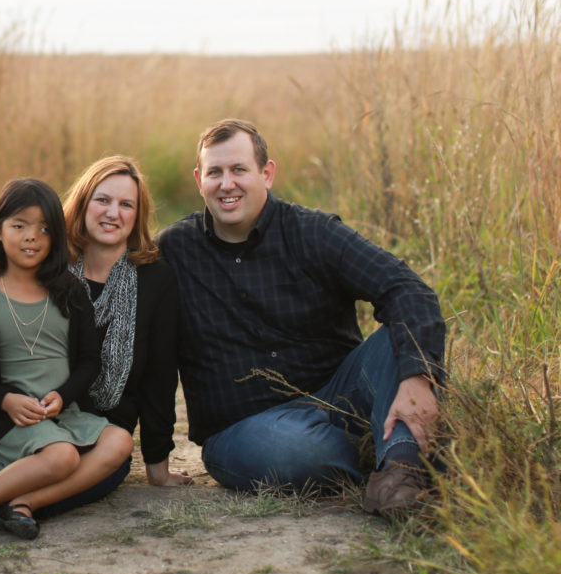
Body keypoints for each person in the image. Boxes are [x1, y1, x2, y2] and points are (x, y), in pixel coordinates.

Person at [156, 119, 445, 515]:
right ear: (198, 180)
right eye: (215, 173)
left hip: (341, 396)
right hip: (246, 431)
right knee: (295, 450)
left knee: (400, 343)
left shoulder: (313, 232)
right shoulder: (173, 250)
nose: (227, 184)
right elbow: (142, 346)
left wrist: (418, 379)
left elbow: (406, 288)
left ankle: (401, 473)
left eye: (239, 170)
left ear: (266, 173)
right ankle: (385, 445)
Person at [0, 179, 133, 544]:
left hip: (60, 412)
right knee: (63, 458)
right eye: (19, 225)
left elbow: (89, 361)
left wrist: (64, 395)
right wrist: (6, 400)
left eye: (43, 228)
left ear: (55, 235)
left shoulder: (70, 292)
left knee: (120, 441)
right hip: (12, 419)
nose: (31, 237)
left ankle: (23, 503)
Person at [60, 155, 191, 499]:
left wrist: (157, 465)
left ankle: (20, 503)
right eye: (102, 200)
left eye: (125, 204)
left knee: (94, 476)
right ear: (84, 203)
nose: (112, 213)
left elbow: (160, 376)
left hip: (106, 435)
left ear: (137, 216)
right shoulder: (52, 267)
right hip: (42, 418)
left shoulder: (155, 278)